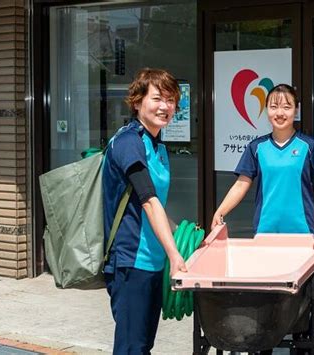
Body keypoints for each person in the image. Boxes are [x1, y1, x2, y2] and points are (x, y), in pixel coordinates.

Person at [102, 68, 186, 355]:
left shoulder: (156, 145)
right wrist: (176, 255)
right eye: (158, 98)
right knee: (131, 348)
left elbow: (154, 207)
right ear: (137, 102)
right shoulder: (129, 142)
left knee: (143, 346)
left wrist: (186, 235)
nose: (166, 107)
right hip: (129, 262)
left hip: (153, 262)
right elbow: (149, 201)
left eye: (172, 100)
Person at [212, 83, 314, 238]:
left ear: (296, 110)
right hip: (265, 232)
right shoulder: (257, 147)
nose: (280, 113)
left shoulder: (310, 145)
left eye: (286, 107)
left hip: (302, 232)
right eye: (274, 107)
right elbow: (240, 185)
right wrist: (220, 212)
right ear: (266, 110)